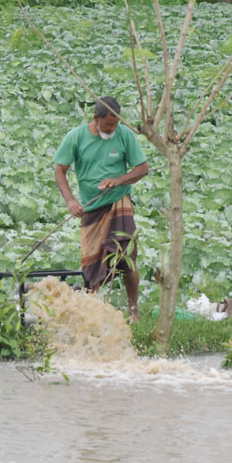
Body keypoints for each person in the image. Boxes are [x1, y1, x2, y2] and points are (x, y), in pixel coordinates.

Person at [54, 96, 149, 321]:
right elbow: (60, 170)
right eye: (108, 125)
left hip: (119, 202)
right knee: (91, 261)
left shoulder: (125, 135)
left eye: (115, 124)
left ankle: (133, 310)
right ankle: (90, 311)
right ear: (96, 119)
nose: (112, 129)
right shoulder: (76, 137)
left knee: (126, 256)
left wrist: (119, 180)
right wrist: (70, 201)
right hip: (91, 206)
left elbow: (142, 168)